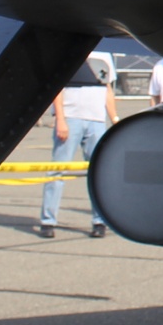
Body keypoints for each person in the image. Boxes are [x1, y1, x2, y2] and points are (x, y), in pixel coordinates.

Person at [42, 55, 116, 238]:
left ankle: (99, 221)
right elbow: (57, 89)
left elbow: (107, 90)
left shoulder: (105, 57)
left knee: (98, 172)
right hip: (71, 119)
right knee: (57, 170)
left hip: (97, 121)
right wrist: (60, 119)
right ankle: (48, 221)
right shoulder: (71, 52)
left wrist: (114, 118)